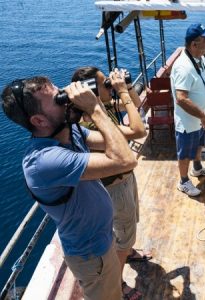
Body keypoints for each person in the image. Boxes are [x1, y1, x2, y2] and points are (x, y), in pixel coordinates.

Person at [1, 76, 139, 300]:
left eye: (60, 91)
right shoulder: (44, 161)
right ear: (39, 121)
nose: (67, 99)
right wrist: (94, 108)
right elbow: (125, 159)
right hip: (92, 254)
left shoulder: (71, 132)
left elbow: (121, 140)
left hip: (103, 239)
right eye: (59, 99)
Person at [71, 67, 147, 300]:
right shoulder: (91, 123)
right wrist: (121, 91)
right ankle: (119, 282)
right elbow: (138, 130)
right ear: (92, 92)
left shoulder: (103, 110)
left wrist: (128, 88)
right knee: (122, 235)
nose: (110, 87)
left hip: (125, 181)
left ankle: (128, 249)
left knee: (128, 226)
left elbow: (138, 106)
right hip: (114, 190)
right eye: (105, 84)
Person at [170, 23, 205, 196]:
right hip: (189, 122)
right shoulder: (183, 67)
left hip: (202, 118)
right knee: (185, 153)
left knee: (200, 144)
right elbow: (181, 98)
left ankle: (197, 169)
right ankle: (184, 182)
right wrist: (203, 116)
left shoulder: (200, 58)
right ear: (194, 44)